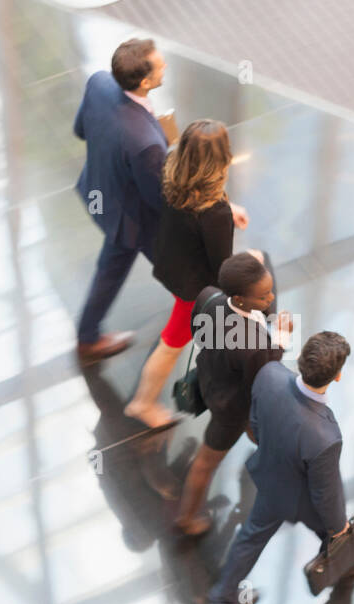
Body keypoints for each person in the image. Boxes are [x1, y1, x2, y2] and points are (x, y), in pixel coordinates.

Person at [204, 332, 354, 604]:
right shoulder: (325, 435)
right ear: (338, 376)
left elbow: (255, 422)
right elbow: (326, 493)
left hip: (269, 475)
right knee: (322, 527)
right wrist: (340, 529)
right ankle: (347, 558)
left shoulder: (269, 374)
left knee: (254, 535)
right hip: (293, 496)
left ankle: (222, 598)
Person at [125, 119, 249, 429]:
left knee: (181, 337)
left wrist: (226, 205)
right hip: (194, 288)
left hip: (172, 264)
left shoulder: (172, 167)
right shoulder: (214, 214)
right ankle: (142, 404)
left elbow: (197, 203)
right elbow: (222, 266)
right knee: (171, 345)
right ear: (222, 158)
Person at [71, 38, 172, 364]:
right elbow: (158, 200)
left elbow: (80, 130)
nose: (165, 65)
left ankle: (88, 336)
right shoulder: (146, 143)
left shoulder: (99, 82)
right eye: (160, 65)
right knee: (180, 267)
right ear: (144, 82)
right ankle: (87, 340)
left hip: (99, 192)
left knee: (113, 265)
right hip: (129, 218)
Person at [174, 252, 288, 534]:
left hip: (211, 380)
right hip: (232, 407)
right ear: (239, 299)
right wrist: (282, 338)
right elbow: (267, 374)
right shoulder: (251, 344)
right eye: (263, 297)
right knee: (206, 462)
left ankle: (267, 446)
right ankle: (187, 518)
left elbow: (199, 334)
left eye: (270, 290)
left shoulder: (209, 296)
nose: (271, 299)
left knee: (259, 428)